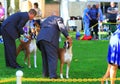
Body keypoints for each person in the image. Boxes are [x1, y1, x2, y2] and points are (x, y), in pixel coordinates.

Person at [36, 13, 72, 79]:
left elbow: (41, 27)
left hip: (40, 39)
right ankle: (52, 75)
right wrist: (67, 35)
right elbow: (61, 27)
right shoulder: (58, 19)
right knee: (53, 57)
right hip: (49, 39)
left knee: (45, 57)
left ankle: (45, 74)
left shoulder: (46, 20)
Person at [101, 14, 120, 84]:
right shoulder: (115, 26)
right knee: (113, 67)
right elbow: (111, 25)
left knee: (110, 68)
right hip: (116, 47)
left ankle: (103, 80)